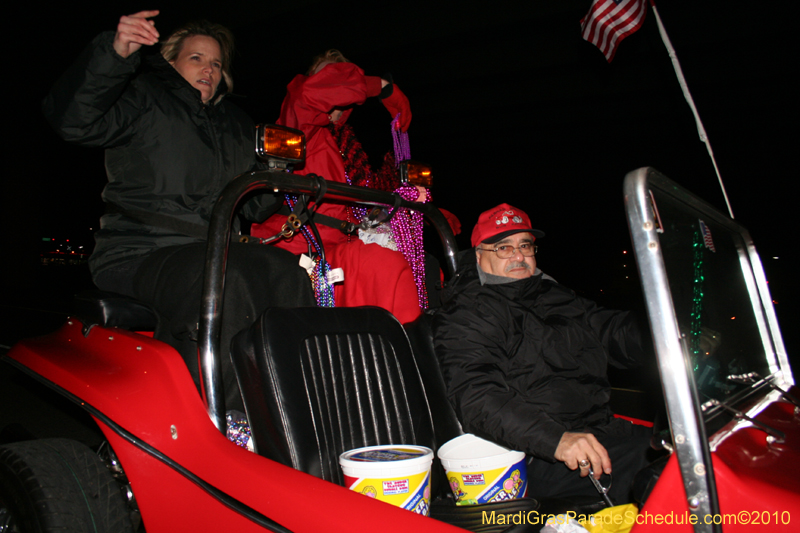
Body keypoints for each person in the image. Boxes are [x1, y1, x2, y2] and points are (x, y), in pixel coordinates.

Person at [42, 11, 315, 410]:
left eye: (216, 63)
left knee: (290, 273)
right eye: (196, 58)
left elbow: (255, 208)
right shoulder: (144, 97)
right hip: (139, 249)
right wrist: (114, 55)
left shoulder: (237, 125)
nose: (209, 69)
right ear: (171, 62)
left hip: (211, 251)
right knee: (226, 278)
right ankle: (216, 417)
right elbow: (73, 120)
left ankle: (293, 410)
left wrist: (276, 174)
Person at [432, 203, 653, 504]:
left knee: (691, 446)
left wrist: (661, 329)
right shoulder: (469, 312)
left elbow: (612, 330)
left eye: (525, 245)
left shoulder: (556, 296)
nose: (518, 255)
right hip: (535, 454)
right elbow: (477, 396)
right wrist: (557, 440)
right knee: (665, 474)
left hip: (599, 431)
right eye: (504, 248)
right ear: (479, 255)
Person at [250, 50, 422, 323]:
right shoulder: (300, 123)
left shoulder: (348, 145)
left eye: (341, 74)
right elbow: (309, 97)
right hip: (294, 249)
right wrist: (381, 86)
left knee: (417, 265)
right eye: (328, 74)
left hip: (337, 248)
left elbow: (371, 201)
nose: (334, 79)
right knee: (383, 264)